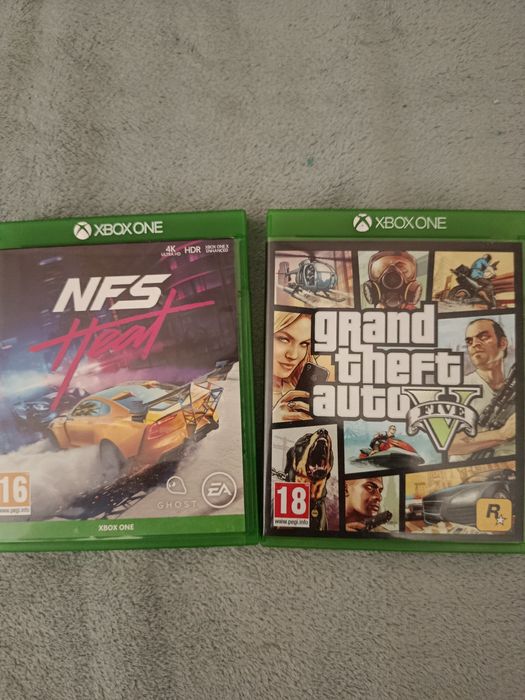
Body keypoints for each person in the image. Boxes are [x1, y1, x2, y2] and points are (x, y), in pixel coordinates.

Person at [449, 318, 515, 459]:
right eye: (469, 342)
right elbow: (447, 444)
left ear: (503, 343)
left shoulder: (516, 386)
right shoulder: (459, 389)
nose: (475, 344)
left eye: (483, 337)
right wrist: (502, 434)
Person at [272, 311, 313, 422]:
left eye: (304, 344)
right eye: (284, 339)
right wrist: (275, 420)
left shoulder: (298, 389)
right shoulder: (237, 382)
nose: (293, 355)